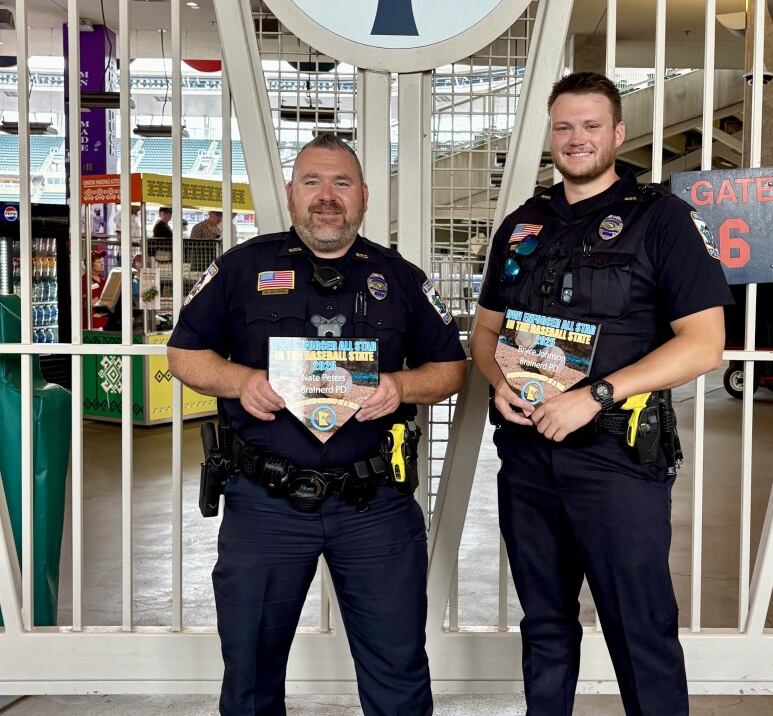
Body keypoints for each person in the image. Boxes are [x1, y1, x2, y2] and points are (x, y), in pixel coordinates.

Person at [167, 134, 467, 716]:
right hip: (265, 504)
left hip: (374, 504)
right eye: (312, 182)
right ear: (290, 193)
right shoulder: (241, 267)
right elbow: (184, 354)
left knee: (399, 670)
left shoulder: (400, 278)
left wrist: (400, 387)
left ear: (364, 197)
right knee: (250, 672)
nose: (327, 197)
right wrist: (239, 381)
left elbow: (451, 368)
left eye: (342, 183)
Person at [470, 71, 733, 716]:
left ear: (618, 134)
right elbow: (485, 331)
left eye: (591, 126)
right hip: (529, 460)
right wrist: (500, 382)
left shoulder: (663, 220)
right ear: (550, 138)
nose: (576, 138)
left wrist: (598, 395)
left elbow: (703, 344)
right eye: (564, 127)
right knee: (546, 625)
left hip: (618, 463)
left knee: (639, 630)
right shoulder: (521, 225)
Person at [82, 248, 108, 330]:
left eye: (103, 262)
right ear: (90, 264)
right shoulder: (84, 280)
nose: (102, 264)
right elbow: (85, 303)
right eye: (99, 262)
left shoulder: (104, 280)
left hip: (106, 321)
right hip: (91, 323)